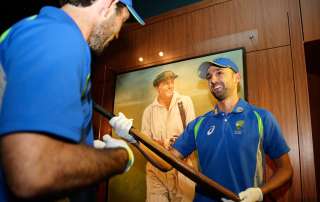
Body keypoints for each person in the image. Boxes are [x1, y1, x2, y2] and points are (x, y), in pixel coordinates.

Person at [0, 0, 144, 201]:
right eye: (123, 20)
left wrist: (85, 151)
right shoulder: (61, 38)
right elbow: (32, 171)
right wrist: (120, 157)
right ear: (108, 4)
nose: (118, 33)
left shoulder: (44, 30)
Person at [114, 57, 293, 202]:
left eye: (219, 73)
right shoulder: (199, 124)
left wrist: (260, 193)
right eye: (209, 76)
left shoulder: (261, 118)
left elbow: (286, 169)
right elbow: (167, 163)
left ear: (236, 78)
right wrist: (134, 140)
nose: (213, 79)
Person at [141, 70, 196, 202]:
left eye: (172, 82)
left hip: (183, 166)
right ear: (157, 87)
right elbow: (143, 141)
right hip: (156, 169)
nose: (171, 86)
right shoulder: (149, 111)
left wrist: (178, 144)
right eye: (166, 83)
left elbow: (193, 133)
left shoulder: (185, 101)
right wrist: (162, 142)